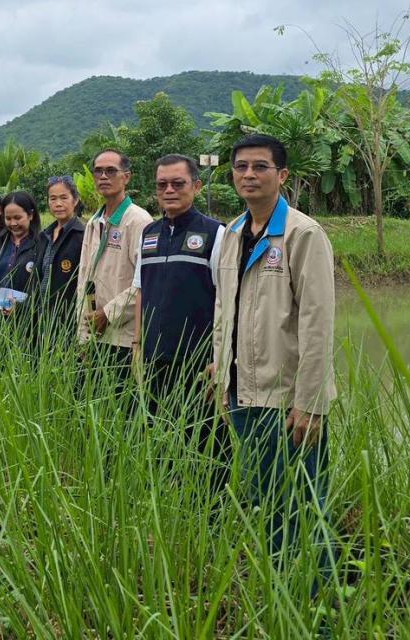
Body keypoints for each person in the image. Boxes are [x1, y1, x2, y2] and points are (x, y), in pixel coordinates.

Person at [209, 133, 336, 556]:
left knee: (304, 505)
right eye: (241, 167)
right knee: (268, 501)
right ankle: (282, 592)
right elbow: (225, 309)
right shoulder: (231, 233)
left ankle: (317, 608)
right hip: (242, 392)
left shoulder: (304, 234)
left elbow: (318, 322)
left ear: (281, 175)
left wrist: (312, 402)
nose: (249, 175)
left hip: (286, 401)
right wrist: (219, 371)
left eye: (260, 166)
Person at [133, 155, 224, 406]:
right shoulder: (148, 234)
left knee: (205, 441)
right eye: (162, 184)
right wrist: (137, 345)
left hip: (199, 364)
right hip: (153, 360)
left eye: (178, 183)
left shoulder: (215, 232)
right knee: (158, 438)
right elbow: (141, 290)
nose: (169, 190)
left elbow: (227, 299)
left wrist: (221, 358)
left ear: (196, 186)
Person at [76, 150, 154, 379]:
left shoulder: (138, 220)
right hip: (92, 333)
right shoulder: (93, 221)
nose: (103, 176)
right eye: (98, 171)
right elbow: (83, 279)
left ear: (126, 177)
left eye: (111, 171)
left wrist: (108, 314)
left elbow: (145, 282)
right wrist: (83, 330)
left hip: (122, 337)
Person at [0, 192, 45, 326]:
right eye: (8, 218)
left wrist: (20, 307)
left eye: (18, 217)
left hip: (28, 323)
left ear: (30, 215)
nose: (13, 223)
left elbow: (44, 286)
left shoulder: (43, 244)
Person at [38, 175, 85, 341]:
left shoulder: (83, 234)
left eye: (64, 198)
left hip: (69, 321)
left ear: (75, 200)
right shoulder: (44, 235)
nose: (58, 204)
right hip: (42, 317)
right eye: (53, 199)